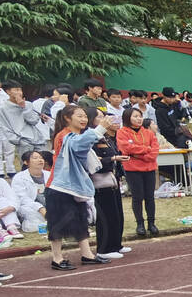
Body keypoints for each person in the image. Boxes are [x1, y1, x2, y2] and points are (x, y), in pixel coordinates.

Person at [45, 105, 116, 270]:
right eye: (79, 116)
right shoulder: (64, 136)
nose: (84, 119)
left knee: (81, 220)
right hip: (60, 187)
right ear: (67, 119)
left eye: (85, 116)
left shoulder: (78, 135)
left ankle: (87, 254)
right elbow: (78, 145)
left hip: (75, 186)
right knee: (58, 223)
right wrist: (99, 129)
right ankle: (57, 258)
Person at [88, 108, 129, 258]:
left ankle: (116, 244)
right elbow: (93, 162)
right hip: (100, 181)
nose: (105, 119)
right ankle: (104, 249)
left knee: (117, 214)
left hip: (113, 179)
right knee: (105, 216)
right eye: (99, 117)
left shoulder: (105, 137)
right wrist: (111, 159)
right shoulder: (90, 138)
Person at [117, 106, 161, 236]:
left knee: (150, 197)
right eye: (135, 116)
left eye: (140, 116)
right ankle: (140, 224)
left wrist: (143, 154)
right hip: (133, 169)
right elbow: (126, 148)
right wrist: (145, 149)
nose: (138, 119)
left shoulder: (148, 133)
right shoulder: (122, 132)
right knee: (137, 197)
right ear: (127, 118)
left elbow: (154, 149)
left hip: (149, 168)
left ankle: (151, 223)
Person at [0, 81, 47, 170]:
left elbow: (34, 121)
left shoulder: (28, 104)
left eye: (20, 90)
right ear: (8, 92)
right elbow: (5, 128)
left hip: (38, 140)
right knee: (27, 167)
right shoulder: (3, 108)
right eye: (16, 90)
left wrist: (24, 107)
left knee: (43, 166)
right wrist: (19, 141)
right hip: (23, 142)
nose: (19, 93)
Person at [12, 150, 50, 232]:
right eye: (35, 158)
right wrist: (40, 208)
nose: (40, 160)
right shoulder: (19, 177)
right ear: (26, 162)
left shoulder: (49, 175)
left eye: (41, 158)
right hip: (30, 207)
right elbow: (22, 198)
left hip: (50, 205)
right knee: (33, 217)